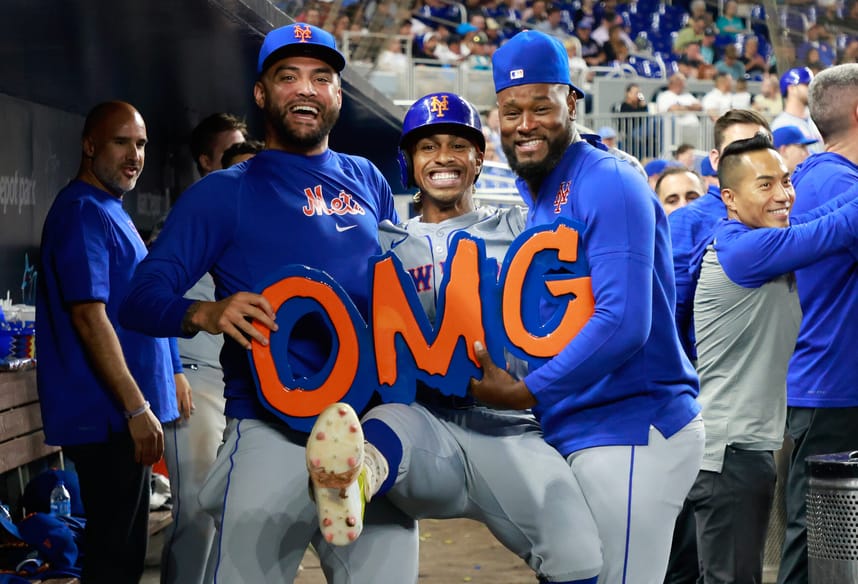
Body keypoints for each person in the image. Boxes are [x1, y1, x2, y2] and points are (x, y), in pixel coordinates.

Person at [119, 23, 418, 583]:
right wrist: (205, 312)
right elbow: (140, 297)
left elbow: (397, 295)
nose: (306, 90)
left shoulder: (368, 181)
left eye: (321, 78)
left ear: (337, 94)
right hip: (269, 430)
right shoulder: (223, 192)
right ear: (262, 94)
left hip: (362, 435)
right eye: (289, 77)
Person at [306, 92, 602, 584]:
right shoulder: (382, 243)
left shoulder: (522, 226)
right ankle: (350, 481)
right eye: (428, 147)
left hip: (508, 423)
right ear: (409, 162)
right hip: (423, 418)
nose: (443, 157)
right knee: (383, 427)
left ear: (480, 158)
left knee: (580, 557)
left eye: (457, 145)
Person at [473, 29, 705, 584]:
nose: (524, 124)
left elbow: (623, 322)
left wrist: (528, 391)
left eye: (540, 107)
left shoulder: (607, 178)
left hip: (629, 426)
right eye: (511, 111)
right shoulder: (546, 188)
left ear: (571, 102)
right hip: (582, 426)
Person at [690, 133, 858, 584]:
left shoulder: (756, 239)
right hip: (729, 454)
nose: (783, 195)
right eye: (765, 185)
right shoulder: (747, 250)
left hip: (733, 449)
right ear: (729, 197)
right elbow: (835, 228)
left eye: (785, 181)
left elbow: (820, 217)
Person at [35, 101, 181, 584]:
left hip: (122, 415)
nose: (134, 154)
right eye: (121, 142)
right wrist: (136, 408)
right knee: (114, 561)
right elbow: (88, 317)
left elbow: (136, 304)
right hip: (109, 416)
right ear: (90, 144)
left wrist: (172, 371)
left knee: (123, 554)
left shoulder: (107, 208)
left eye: (140, 144)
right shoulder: (81, 210)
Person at [156, 113, 249, 584]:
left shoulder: (253, 217)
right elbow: (147, 303)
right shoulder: (191, 217)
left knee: (233, 513)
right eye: (230, 153)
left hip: (239, 385)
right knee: (195, 512)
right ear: (207, 161)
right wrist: (170, 370)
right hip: (194, 375)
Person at [778, 62, 858, 584]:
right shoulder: (837, 182)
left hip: (826, 385)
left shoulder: (817, 173)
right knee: (815, 548)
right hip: (832, 390)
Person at [667, 108, 771, 364]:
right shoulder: (687, 220)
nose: (752, 160)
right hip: (713, 371)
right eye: (738, 150)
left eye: (762, 148)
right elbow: (674, 306)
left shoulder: (783, 210)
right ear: (715, 160)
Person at [772, 67, 824, 153]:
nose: (812, 89)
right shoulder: (781, 124)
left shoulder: (816, 118)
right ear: (791, 88)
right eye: (807, 85)